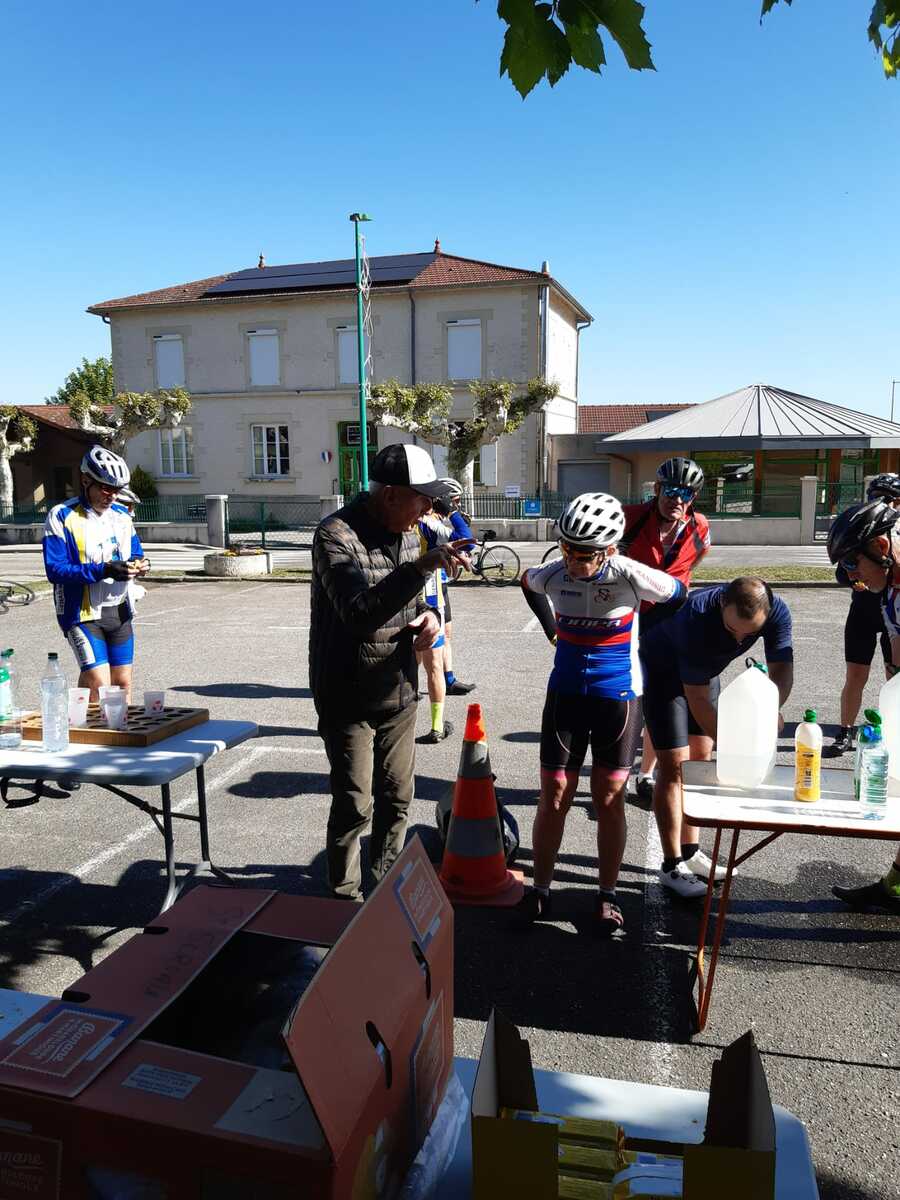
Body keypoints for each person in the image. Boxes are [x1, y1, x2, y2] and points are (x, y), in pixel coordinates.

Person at [517, 492, 687, 935]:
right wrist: (552, 631)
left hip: (618, 697)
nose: (573, 561)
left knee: (608, 797)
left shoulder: (630, 574)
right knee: (555, 793)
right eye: (567, 549)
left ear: (609, 549)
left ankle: (607, 893)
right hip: (566, 694)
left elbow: (679, 594)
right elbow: (526, 582)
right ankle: (540, 888)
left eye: (585, 554)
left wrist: (649, 635)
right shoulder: (554, 573)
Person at [310, 443, 462, 900]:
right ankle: (343, 897)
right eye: (423, 499)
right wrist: (421, 568)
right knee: (355, 804)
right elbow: (359, 613)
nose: (429, 509)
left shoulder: (410, 533)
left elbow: (415, 602)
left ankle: (385, 891)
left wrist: (430, 617)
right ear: (392, 494)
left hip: (399, 690)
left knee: (398, 797)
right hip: (347, 696)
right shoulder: (334, 535)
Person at [640, 577, 794, 898]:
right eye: (732, 629)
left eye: (749, 634)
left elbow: (781, 669)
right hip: (662, 672)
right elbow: (696, 699)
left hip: (705, 672)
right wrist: (737, 748)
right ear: (723, 603)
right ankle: (671, 865)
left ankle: (691, 852)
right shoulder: (695, 617)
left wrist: (771, 710)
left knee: (701, 757)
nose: (739, 639)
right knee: (675, 765)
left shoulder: (777, 611)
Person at [825, 498, 900, 917]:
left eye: (854, 563)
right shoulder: (889, 594)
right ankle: (895, 886)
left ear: (882, 547)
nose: (851, 575)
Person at [621, 457, 710, 803]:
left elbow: (696, 557)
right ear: (657, 489)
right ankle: (618, 775)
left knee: (661, 699)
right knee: (631, 700)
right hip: (633, 620)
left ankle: (646, 774)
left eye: (686, 493)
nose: (677, 499)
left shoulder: (699, 526)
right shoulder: (630, 518)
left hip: (673, 623)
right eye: (671, 490)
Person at [42, 446, 150, 701]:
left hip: (119, 610)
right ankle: (86, 722)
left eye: (117, 490)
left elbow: (136, 553)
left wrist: (141, 564)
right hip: (81, 614)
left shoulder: (122, 516)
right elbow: (55, 569)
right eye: (105, 488)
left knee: (122, 684)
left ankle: (84, 718)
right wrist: (104, 569)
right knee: (100, 685)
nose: (112, 496)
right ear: (85, 480)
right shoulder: (61, 515)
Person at [827, 473, 900, 756]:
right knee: (862, 675)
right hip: (867, 612)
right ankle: (846, 731)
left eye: (889, 499)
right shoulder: (891, 590)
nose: (850, 574)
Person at [431, 479, 476, 696]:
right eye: (454, 502)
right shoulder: (430, 522)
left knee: (446, 633)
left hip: (440, 582)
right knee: (428, 641)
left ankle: (449, 680)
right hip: (428, 587)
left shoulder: (437, 522)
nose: (457, 506)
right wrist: (453, 514)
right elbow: (468, 540)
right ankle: (406, 682)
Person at [416, 507, 455, 744]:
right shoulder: (428, 523)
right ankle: (437, 726)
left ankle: (397, 719)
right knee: (434, 666)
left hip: (401, 593)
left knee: (410, 662)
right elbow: (462, 536)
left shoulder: (389, 522)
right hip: (429, 597)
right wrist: (451, 510)